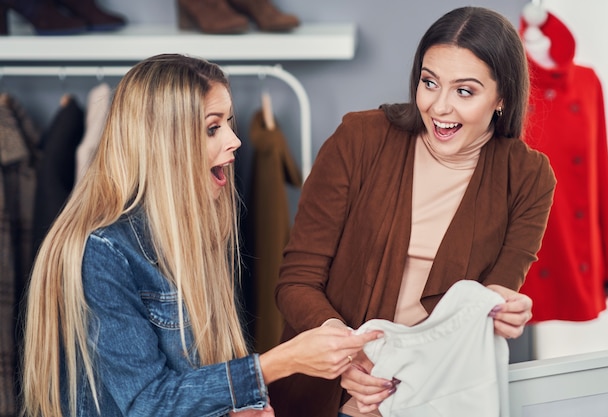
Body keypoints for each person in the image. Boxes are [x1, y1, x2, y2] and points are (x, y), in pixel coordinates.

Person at [20, 54, 382, 417]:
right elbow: (148, 403)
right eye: (213, 128)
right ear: (165, 144)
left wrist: (237, 410)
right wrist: (280, 362)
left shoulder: (192, 233)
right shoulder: (101, 254)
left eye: (227, 123)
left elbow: (191, 384)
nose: (235, 140)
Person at [269, 6, 557, 417]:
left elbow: (485, 301)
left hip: (434, 397)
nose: (440, 107)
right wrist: (342, 352)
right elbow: (296, 281)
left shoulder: (528, 177)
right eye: (429, 82)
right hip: (330, 394)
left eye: (465, 91)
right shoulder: (359, 140)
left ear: (502, 98)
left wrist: (502, 310)